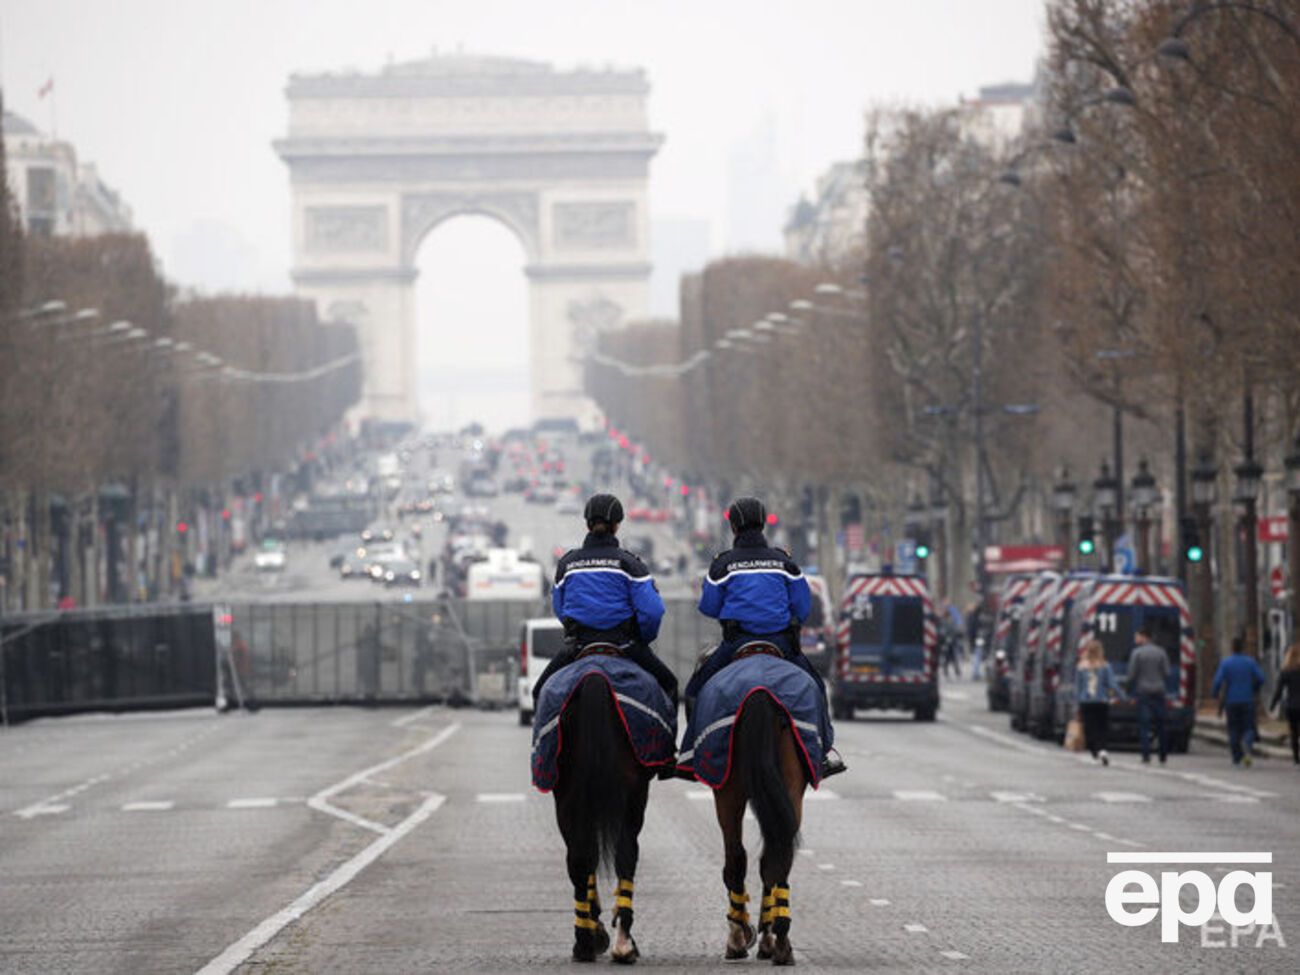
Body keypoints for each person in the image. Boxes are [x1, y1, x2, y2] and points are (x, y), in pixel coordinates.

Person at [688, 497, 845, 778]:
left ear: (733, 526)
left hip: (737, 643)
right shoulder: (785, 562)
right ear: (763, 524)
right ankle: (822, 753)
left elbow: (708, 607)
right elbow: (803, 607)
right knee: (817, 688)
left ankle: (691, 753)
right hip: (781, 644)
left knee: (696, 688)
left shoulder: (722, 564)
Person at [531, 493, 678, 707]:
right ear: (617, 525)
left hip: (578, 644)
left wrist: (577, 629)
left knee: (540, 691)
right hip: (625, 644)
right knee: (670, 684)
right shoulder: (631, 564)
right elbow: (653, 612)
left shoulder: (567, 564)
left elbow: (560, 608)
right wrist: (642, 639)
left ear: (587, 524)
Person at [1212, 635, 1266, 767]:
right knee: (1249, 726)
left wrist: (1215, 694)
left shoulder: (1226, 663)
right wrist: (1255, 688)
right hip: (1248, 699)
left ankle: (1237, 756)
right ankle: (1247, 741)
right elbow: (1261, 678)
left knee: (1233, 728)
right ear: (1243, 648)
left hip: (1231, 701)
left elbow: (1218, 681)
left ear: (1232, 648)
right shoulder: (1250, 662)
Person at [1125, 621, 1170, 764]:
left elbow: (1132, 674)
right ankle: (1163, 754)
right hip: (1159, 691)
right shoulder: (1161, 652)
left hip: (1143, 691)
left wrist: (1128, 690)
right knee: (1161, 724)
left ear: (1144, 637)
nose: (1135, 639)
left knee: (1144, 724)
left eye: (1137, 636)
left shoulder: (1137, 653)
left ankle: (1146, 754)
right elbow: (1167, 672)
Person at [1075, 639, 1116, 765]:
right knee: (1102, 727)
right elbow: (1111, 684)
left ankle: (1094, 750)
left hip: (1086, 702)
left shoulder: (1081, 667)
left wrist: (1077, 701)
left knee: (1089, 728)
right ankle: (1102, 749)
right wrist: (1118, 696)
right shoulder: (1105, 666)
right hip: (1102, 701)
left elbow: (1078, 686)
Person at [1268, 642, 1300, 766]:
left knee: (1294, 732)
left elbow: (1279, 690)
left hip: (1291, 706)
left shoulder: (1286, 672)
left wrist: (1272, 705)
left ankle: (1296, 758)